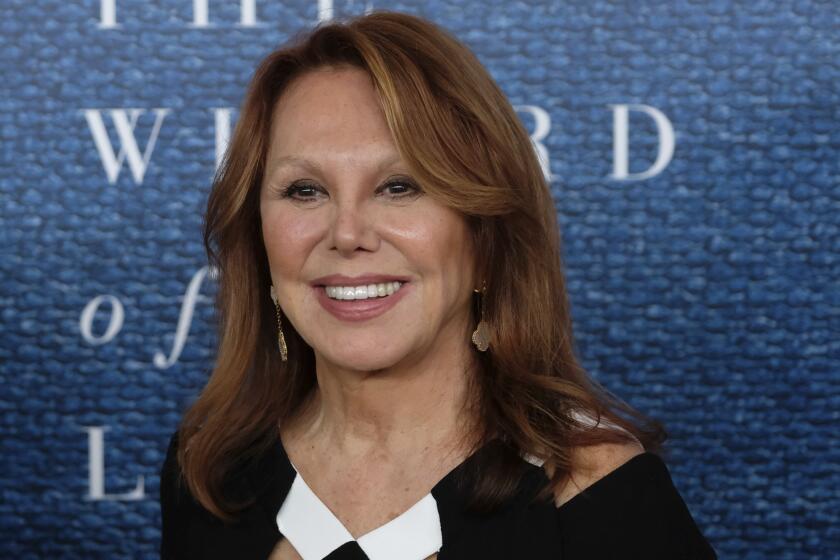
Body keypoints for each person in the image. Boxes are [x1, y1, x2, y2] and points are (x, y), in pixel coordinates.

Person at [159, 9, 717, 560]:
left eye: (400, 186)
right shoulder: (209, 473)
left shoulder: (599, 498)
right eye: (305, 190)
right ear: (257, 238)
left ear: (484, 237)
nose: (347, 232)